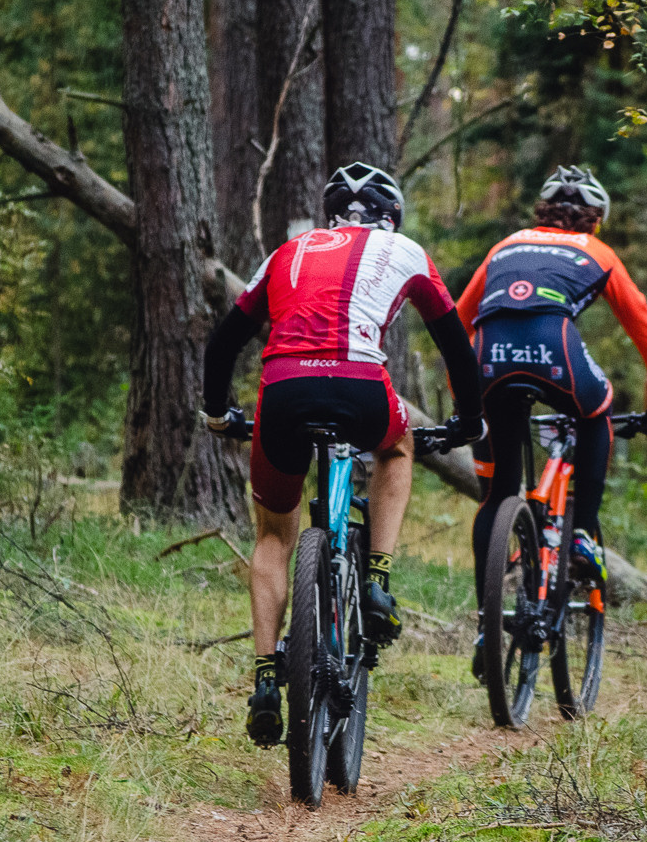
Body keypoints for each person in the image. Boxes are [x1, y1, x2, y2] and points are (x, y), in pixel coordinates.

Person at [202, 163, 483, 747]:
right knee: (398, 446)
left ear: (331, 214)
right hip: (361, 387)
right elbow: (454, 341)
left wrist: (216, 413)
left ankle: (262, 678)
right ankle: (377, 578)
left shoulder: (289, 249)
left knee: (274, 538)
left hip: (281, 390)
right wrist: (470, 419)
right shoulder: (403, 249)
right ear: (392, 216)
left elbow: (226, 338)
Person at [456, 166, 647, 604]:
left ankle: (488, 626)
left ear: (542, 212)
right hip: (552, 345)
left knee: (497, 496)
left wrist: (464, 400)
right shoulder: (598, 251)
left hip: (487, 356)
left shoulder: (506, 245)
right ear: (596, 219)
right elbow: (646, 331)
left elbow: (458, 320)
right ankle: (580, 535)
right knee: (597, 410)